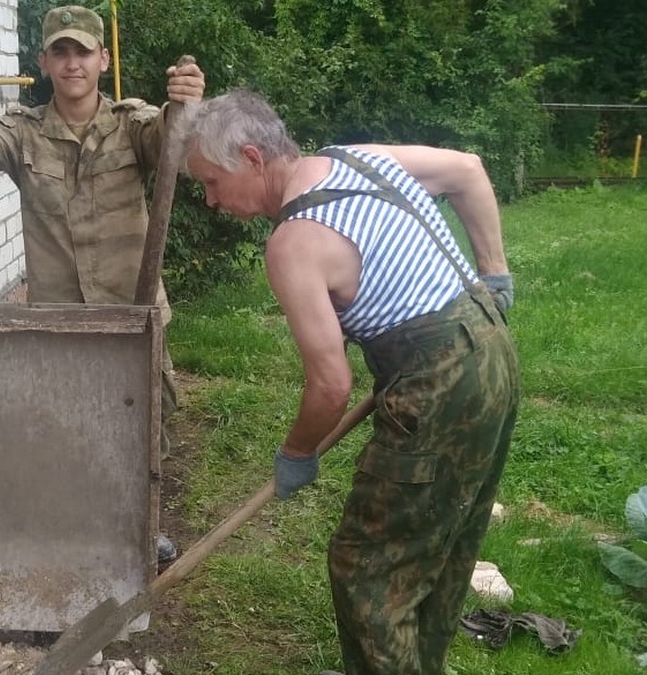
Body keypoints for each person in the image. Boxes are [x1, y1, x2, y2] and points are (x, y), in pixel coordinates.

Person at [177, 89, 520, 675]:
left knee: (367, 568)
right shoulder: (356, 157)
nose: (210, 200)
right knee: (441, 547)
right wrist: (494, 274)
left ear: (253, 159)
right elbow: (468, 170)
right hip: (491, 352)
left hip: (438, 386)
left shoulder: (295, 243)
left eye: (211, 181)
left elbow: (331, 386)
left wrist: (297, 451)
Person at [0, 5, 206, 569]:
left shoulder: (132, 125)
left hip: (132, 313)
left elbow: (172, 142)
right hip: (62, 320)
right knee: (69, 425)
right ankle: (78, 530)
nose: (72, 63)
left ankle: (140, 525)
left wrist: (184, 103)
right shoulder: (24, 133)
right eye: (61, 52)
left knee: (144, 423)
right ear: (44, 62)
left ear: (102, 59)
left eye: (82, 51)